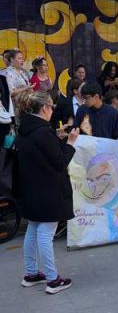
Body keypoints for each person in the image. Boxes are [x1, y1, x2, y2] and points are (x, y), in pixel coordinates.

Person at [13, 87, 76, 294]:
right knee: (45, 233)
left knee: (33, 229)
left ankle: (31, 273)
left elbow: (41, 152)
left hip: (31, 189)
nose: (53, 110)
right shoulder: (43, 132)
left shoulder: (25, 130)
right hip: (48, 190)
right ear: (43, 108)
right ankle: (52, 279)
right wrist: (70, 143)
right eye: (51, 107)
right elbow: (59, 162)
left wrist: (56, 137)